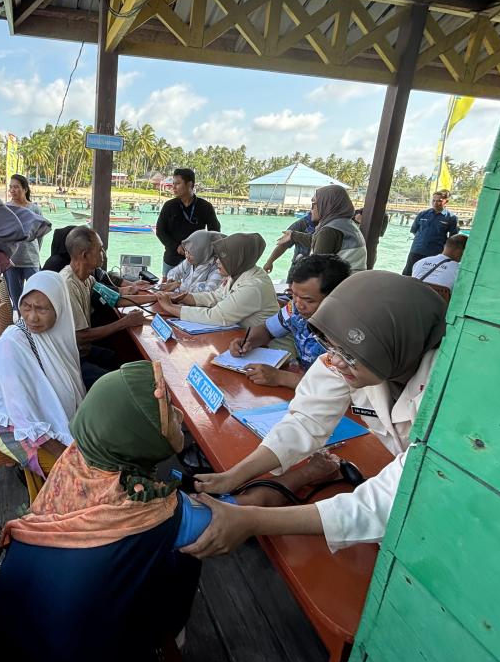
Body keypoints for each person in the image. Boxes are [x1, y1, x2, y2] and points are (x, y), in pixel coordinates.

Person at [186, 271, 446, 558]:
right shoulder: (356, 354)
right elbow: (305, 422)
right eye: (329, 347)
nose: (333, 361)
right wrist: (233, 477)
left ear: (391, 343)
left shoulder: (451, 398)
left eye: (346, 354)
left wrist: (252, 520)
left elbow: (390, 500)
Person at [0, 361, 201, 662]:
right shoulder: (151, 508)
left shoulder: (73, 461)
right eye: (169, 411)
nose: (180, 418)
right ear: (138, 434)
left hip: (17, 644)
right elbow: (223, 523)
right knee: (190, 553)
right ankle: (170, 639)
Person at [0, 271, 86, 478]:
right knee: (75, 475)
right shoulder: (11, 346)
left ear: (60, 309)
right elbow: (23, 417)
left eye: (42, 309)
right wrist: (67, 458)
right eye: (26, 307)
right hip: (15, 428)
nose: (32, 317)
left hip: (39, 422)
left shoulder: (54, 337)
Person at [231, 254, 352, 390]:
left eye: (308, 300)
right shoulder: (294, 308)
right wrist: (250, 342)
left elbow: (341, 387)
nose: (298, 304)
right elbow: (267, 329)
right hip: (303, 386)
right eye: (293, 294)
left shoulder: (350, 331)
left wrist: (280, 377)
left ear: (334, 297)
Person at [60, 226, 149, 387]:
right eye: (100, 250)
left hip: (82, 351)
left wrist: (156, 297)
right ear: (85, 255)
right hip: (69, 360)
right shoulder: (68, 285)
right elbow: (82, 336)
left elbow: (114, 299)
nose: (104, 255)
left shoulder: (87, 278)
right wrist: (125, 322)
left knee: (119, 359)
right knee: (116, 383)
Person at [154, 232, 279, 328]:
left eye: (223, 258)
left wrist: (170, 307)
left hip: (268, 349)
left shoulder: (253, 286)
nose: (217, 261)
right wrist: (184, 297)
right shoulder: (238, 273)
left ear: (237, 259)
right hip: (243, 338)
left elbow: (216, 316)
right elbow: (216, 296)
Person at [276, 185, 367, 272]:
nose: (311, 209)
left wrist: (299, 262)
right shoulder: (346, 224)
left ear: (326, 205)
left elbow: (316, 272)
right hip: (352, 282)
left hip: (339, 285)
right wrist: (293, 235)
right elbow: (320, 241)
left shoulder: (329, 231)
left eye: (314, 204)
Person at [156, 167, 221, 276]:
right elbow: (160, 231)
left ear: (189, 184)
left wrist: (204, 252)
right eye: (173, 183)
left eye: (178, 183)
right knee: (166, 289)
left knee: (191, 290)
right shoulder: (169, 206)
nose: (174, 187)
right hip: (171, 258)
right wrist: (176, 247)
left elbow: (214, 232)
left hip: (196, 261)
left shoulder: (205, 207)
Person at [5, 173, 51, 310]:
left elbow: (41, 234)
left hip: (31, 260)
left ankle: (34, 327)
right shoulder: (6, 208)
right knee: (17, 300)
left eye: (16, 187)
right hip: (11, 261)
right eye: (11, 187)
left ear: (25, 189)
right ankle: (21, 327)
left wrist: (35, 251)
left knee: (35, 297)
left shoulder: (35, 209)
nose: (13, 190)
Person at [402, 190, 459, 275]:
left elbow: (453, 238)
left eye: (439, 201)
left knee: (428, 276)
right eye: (434, 200)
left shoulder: (451, 218)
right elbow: (414, 230)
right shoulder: (422, 214)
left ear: (446, 201)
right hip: (417, 250)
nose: (435, 203)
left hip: (435, 254)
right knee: (408, 274)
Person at [161, 229, 226, 294]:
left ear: (203, 253)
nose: (187, 256)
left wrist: (180, 285)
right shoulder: (190, 262)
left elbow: (209, 290)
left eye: (191, 253)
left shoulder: (218, 268)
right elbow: (175, 271)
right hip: (181, 297)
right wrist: (172, 279)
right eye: (186, 251)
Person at [263, 210, 314, 276]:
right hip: (299, 267)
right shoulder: (302, 223)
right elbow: (283, 244)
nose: (312, 209)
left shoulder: (328, 227)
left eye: (315, 206)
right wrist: (269, 262)